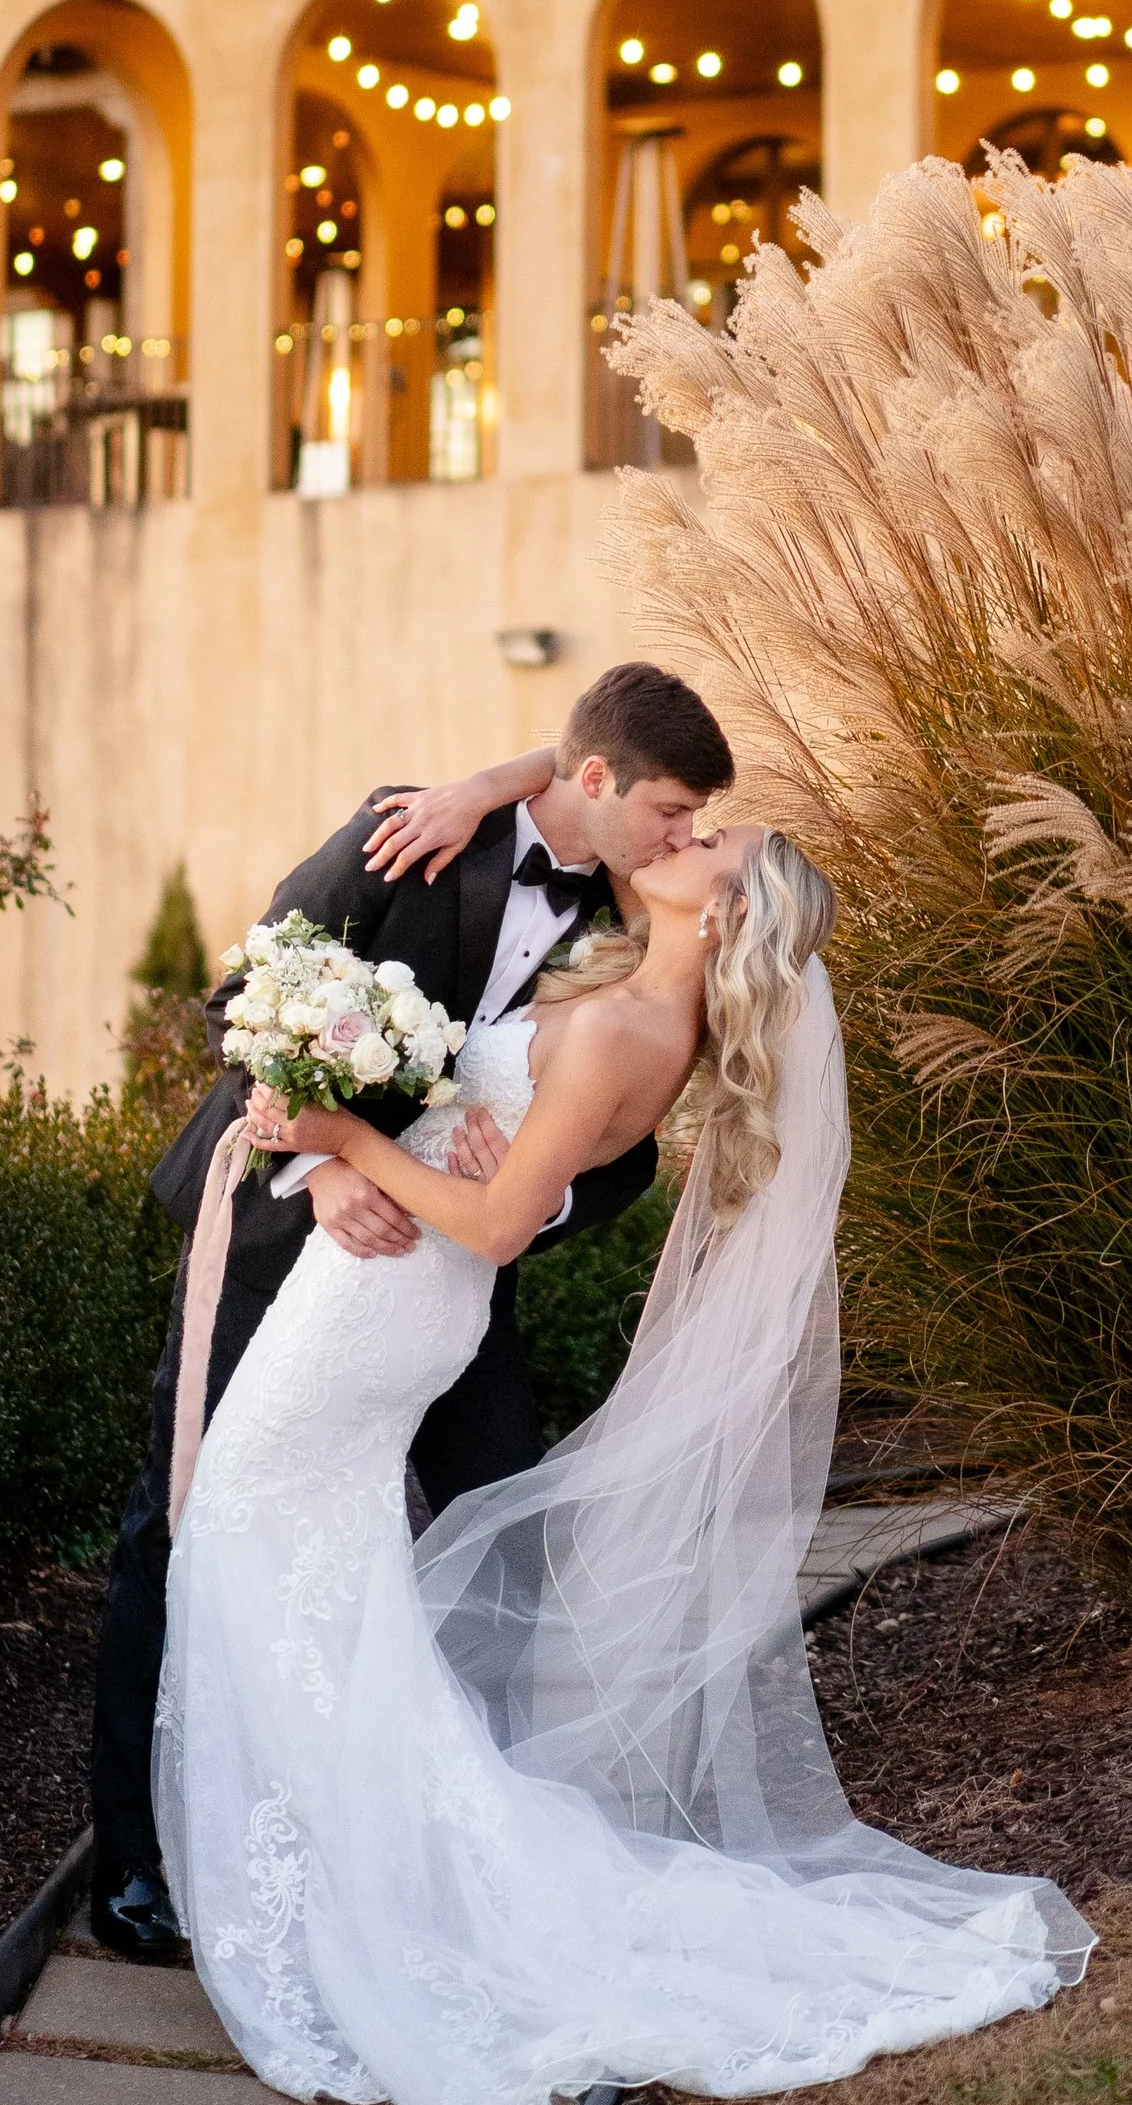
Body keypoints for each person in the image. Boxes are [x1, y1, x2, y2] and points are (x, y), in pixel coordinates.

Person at [157, 815, 1090, 2105]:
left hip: (392, 1296)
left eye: (715, 840)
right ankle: (351, 1872)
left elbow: (489, 1219)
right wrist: (355, 1139)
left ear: (722, 914)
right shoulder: (625, 1005)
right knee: (319, 1578)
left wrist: (345, 1128)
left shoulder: (615, 1034)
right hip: (395, 1293)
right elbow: (494, 1166)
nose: (689, 829)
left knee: (245, 1542)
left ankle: (352, 1894)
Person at [88, 662, 735, 1961]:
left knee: (503, 1515)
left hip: (453, 1266)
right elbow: (248, 999)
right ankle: (136, 1863)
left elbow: (614, 1149)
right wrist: (324, 1162)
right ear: (598, 782)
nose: (681, 838)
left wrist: (518, 1198)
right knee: (184, 1512)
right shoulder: (408, 829)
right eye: (667, 809)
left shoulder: (633, 908)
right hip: (282, 1219)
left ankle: (469, 1828)